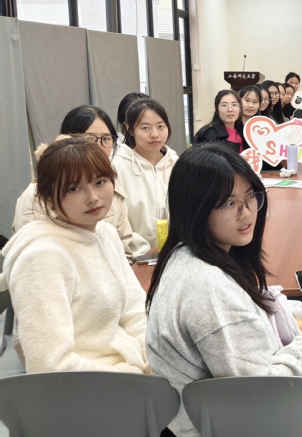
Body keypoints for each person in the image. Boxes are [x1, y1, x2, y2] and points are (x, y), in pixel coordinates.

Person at [146, 144, 302, 437]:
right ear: (195, 209)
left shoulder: (191, 254)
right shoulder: (207, 287)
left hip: (223, 414)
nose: (247, 212)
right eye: (229, 203)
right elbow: (264, 390)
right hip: (239, 425)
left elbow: (260, 299)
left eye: (250, 196)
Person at [1, 137, 149, 373]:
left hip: (127, 368)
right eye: (73, 189)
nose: (92, 197)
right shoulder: (42, 257)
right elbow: (49, 365)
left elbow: (134, 310)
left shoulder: (105, 233)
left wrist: (152, 358)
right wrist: (132, 376)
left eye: (99, 182)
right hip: (84, 385)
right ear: (47, 198)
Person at [12, 105, 150, 260]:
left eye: (105, 138)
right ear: (67, 140)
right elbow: (30, 258)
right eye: (89, 139)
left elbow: (124, 249)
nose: (98, 146)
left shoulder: (111, 187)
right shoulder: (38, 195)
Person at [115, 98, 178, 249]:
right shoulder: (117, 166)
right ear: (130, 129)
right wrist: (142, 250)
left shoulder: (176, 163)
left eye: (160, 126)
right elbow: (116, 220)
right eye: (145, 128)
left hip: (174, 250)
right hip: (133, 253)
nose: (155, 134)